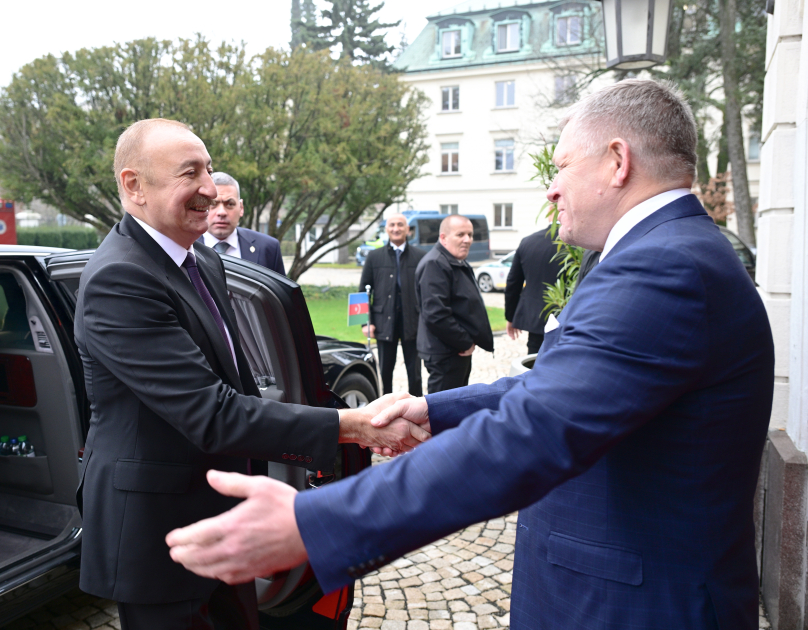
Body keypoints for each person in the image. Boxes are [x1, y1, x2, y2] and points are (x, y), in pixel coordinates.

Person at [166, 80, 775, 630]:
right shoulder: (658, 254)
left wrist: (317, 523)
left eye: (562, 166)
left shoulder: (664, 267)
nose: (552, 187)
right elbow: (561, 388)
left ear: (618, 162)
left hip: (636, 609)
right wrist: (437, 411)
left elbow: (536, 430)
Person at [74, 118, 428, 630]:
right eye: (189, 173)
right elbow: (212, 413)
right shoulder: (120, 279)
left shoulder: (202, 263)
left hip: (225, 516)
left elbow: (239, 384)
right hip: (159, 536)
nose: (208, 188)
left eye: (210, 171)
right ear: (134, 185)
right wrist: (353, 425)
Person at [415, 215, 494, 393]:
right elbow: (436, 314)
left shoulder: (454, 260)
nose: (467, 240)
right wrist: (465, 342)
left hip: (453, 350)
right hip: (446, 352)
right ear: (443, 237)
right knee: (443, 412)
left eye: (470, 235)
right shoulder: (435, 264)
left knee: (455, 406)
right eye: (460, 235)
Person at [359, 213, 425, 396]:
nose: (396, 228)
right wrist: (365, 322)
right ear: (386, 229)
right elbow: (362, 292)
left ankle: (417, 408)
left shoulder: (420, 256)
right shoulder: (374, 257)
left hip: (412, 322)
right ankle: (385, 409)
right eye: (392, 225)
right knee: (385, 372)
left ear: (408, 230)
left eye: (400, 225)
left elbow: (427, 291)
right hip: (383, 322)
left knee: (415, 374)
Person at [200, 172, 285, 274]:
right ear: (202, 207)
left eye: (230, 204)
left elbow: (278, 290)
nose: (221, 212)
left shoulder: (268, 248)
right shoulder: (186, 247)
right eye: (213, 204)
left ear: (241, 208)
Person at [504, 226, 562, 354]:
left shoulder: (529, 242)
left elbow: (513, 283)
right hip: (566, 318)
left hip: (536, 320)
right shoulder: (577, 245)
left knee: (534, 363)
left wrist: (511, 316)